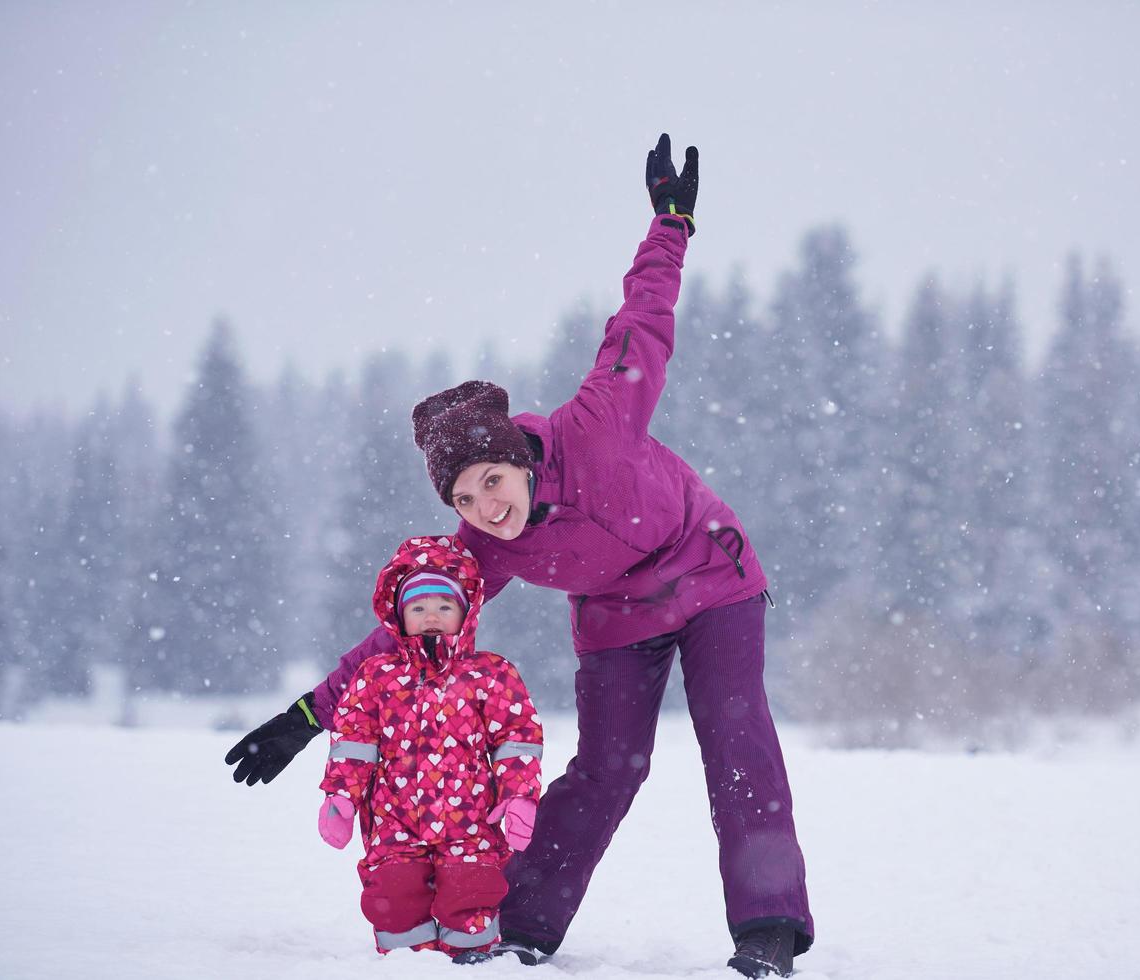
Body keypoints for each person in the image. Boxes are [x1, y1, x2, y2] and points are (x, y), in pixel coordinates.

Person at [226, 133, 812, 979]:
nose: (485, 510)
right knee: (607, 770)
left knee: (736, 738)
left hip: (710, 577)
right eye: (463, 500)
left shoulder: (598, 420)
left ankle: (768, 929)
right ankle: (522, 927)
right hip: (615, 618)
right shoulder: (482, 550)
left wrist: (671, 224)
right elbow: (407, 629)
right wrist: (307, 715)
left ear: (521, 458)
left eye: (492, 482)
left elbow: (642, 318)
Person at [313, 535, 543, 964]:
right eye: (418, 609)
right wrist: (341, 797)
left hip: (470, 821)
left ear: (465, 612)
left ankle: (473, 959)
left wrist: (518, 795)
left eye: (443, 607)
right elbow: (354, 742)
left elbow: (517, 739)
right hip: (394, 819)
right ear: (399, 616)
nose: (431, 617)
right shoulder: (376, 675)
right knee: (394, 895)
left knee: (472, 890)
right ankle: (408, 962)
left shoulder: (490, 673)